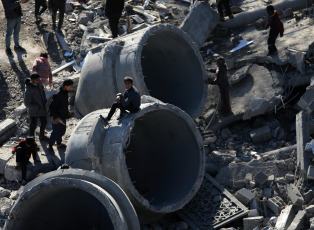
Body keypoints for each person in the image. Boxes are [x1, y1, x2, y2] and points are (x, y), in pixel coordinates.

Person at [48, 79, 74, 150]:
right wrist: (55, 117)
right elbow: (51, 107)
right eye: (70, 86)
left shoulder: (65, 91)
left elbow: (64, 104)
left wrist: (67, 113)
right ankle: (50, 145)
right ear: (66, 86)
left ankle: (58, 144)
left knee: (62, 130)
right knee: (56, 131)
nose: (71, 88)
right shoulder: (58, 94)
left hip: (63, 115)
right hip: (57, 116)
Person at [24, 72, 49, 140]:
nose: (38, 81)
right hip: (34, 111)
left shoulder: (39, 83)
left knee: (44, 122)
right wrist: (37, 108)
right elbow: (27, 103)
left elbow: (42, 92)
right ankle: (31, 139)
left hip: (42, 108)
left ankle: (41, 135)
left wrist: (44, 100)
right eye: (36, 80)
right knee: (33, 125)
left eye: (39, 79)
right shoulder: (28, 90)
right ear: (32, 80)